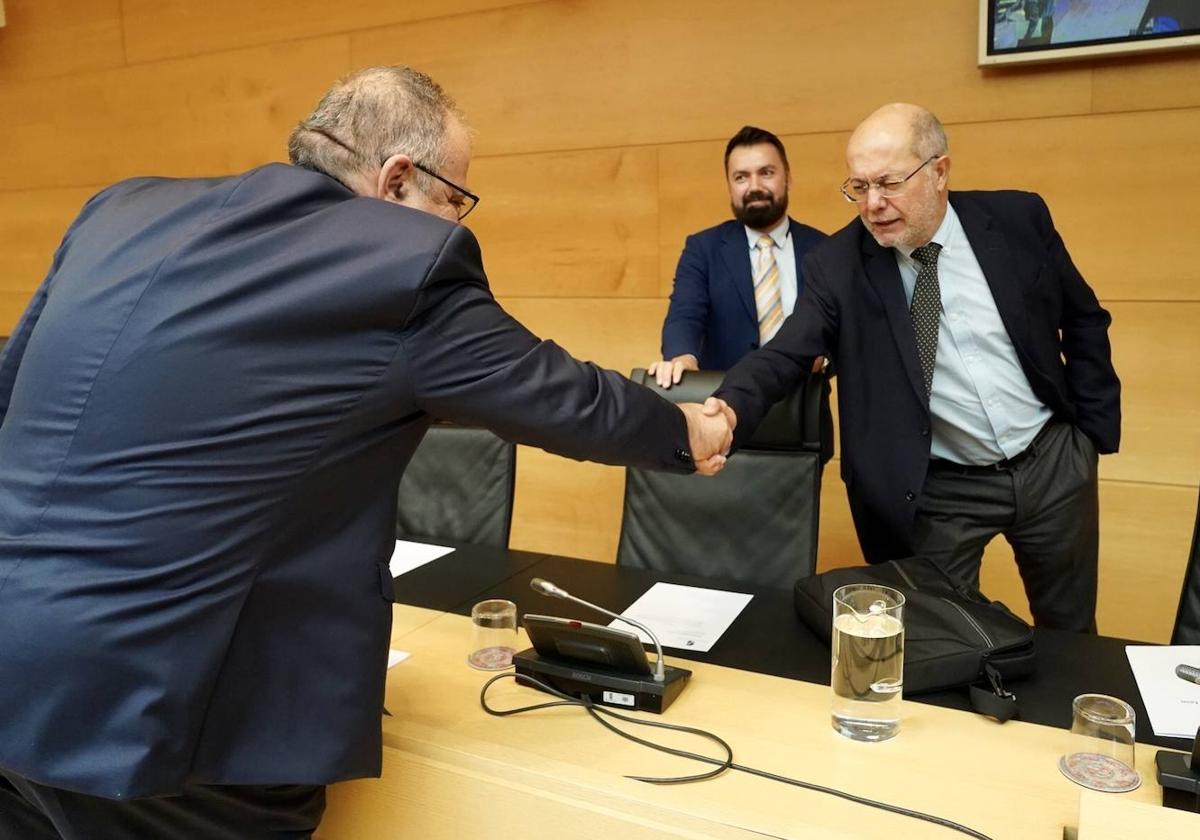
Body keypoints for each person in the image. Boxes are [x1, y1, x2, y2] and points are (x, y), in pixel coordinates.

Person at [0, 66, 731, 838]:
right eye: (453, 198)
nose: (453, 221)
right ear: (397, 179)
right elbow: (562, 397)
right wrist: (687, 430)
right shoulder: (401, 262)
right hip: (159, 720)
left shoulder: (120, 212)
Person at [708, 103, 1120, 633]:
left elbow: (1084, 318)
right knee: (943, 640)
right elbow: (786, 353)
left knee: (1071, 632)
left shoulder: (1019, 219)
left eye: (889, 183)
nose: (873, 205)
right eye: (858, 187)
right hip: (941, 489)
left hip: (1051, 464)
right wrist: (728, 410)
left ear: (940, 171)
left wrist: (1088, 438)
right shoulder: (837, 266)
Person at [648, 125, 833, 462]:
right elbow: (685, 313)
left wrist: (829, 357)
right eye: (741, 177)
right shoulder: (703, 248)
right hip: (720, 413)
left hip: (801, 417)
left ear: (787, 177)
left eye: (766, 172)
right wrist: (682, 357)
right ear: (730, 186)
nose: (755, 187)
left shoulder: (825, 249)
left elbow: (842, 330)